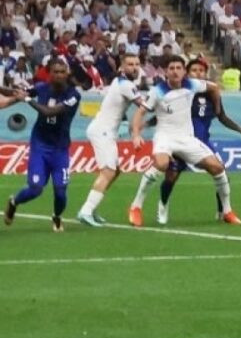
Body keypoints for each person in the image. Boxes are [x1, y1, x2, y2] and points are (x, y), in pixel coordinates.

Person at [134, 56, 241, 227]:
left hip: (187, 139)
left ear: (184, 71)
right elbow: (142, 112)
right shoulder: (158, 91)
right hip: (165, 137)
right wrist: (136, 133)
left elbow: (214, 88)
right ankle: (138, 207)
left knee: (218, 168)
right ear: (166, 71)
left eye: (178, 68)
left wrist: (218, 106)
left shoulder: (192, 85)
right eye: (171, 68)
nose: (175, 71)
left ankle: (227, 211)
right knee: (164, 166)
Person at [3, 59, 81, 231]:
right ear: (49, 74)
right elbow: (16, 93)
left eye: (62, 72)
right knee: (36, 188)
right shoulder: (41, 88)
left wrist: (27, 99)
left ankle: (57, 216)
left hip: (60, 148)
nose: (59, 75)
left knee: (60, 191)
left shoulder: (73, 95)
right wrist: (10, 93)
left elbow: (49, 112)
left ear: (67, 73)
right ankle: (14, 202)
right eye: (56, 72)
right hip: (40, 145)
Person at [74, 51, 147, 227]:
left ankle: (91, 207)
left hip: (106, 131)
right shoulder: (125, 84)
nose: (135, 67)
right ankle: (85, 211)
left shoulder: (120, 82)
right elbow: (145, 105)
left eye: (137, 64)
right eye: (130, 64)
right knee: (108, 172)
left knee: (115, 171)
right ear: (122, 67)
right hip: (102, 131)